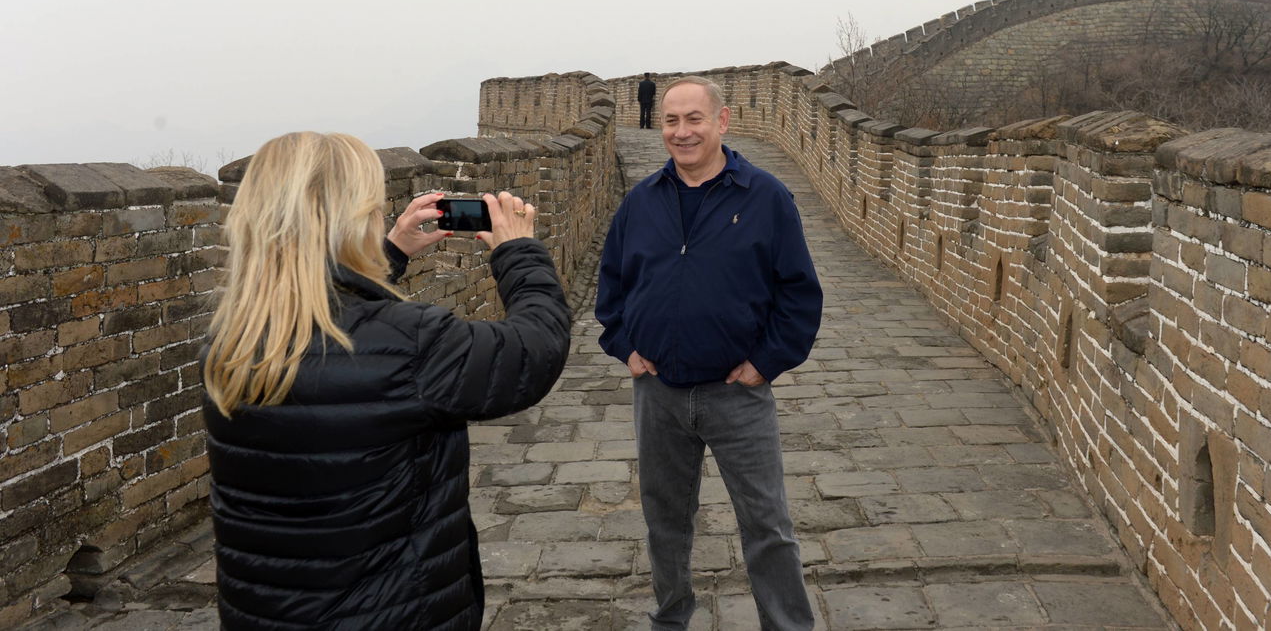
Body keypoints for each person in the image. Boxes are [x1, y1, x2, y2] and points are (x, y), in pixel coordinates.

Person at [201, 131, 571, 631]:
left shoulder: (231, 341)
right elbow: (533, 351)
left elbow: (336, 322)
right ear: (356, 217)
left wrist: (389, 253)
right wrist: (519, 251)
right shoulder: (413, 344)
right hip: (392, 612)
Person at [595, 76, 823, 630]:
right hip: (659, 394)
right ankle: (670, 618)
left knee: (767, 525)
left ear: (721, 121)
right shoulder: (641, 201)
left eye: (694, 119)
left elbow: (799, 294)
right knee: (665, 522)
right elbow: (611, 285)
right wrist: (624, 347)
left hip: (735, 394)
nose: (682, 132)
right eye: (671, 121)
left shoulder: (765, 197)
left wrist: (766, 362)